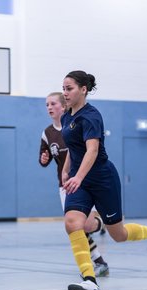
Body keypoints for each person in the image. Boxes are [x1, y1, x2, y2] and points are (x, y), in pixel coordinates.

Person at [61, 70, 147, 290]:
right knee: (73, 223)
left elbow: (92, 150)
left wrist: (78, 176)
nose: (65, 93)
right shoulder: (66, 117)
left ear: (83, 89)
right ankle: (90, 281)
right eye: (63, 88)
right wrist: (66, 168)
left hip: (102, 179)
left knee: (118, 235)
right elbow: (74, 147)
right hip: (79, 180)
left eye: (69, 88)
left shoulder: (91, 116)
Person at [39, 91, 109, 277]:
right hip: (65, 186)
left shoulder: (75, 126)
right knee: (75, 227)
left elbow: (91, 151)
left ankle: (101, 224)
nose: (49, 108)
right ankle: (97, 263)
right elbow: (43, 158)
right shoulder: (47, 133)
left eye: (53, 104)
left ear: (64, 106)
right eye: (47, 105)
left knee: (86, 225)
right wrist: (44, 158)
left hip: (84, 182)